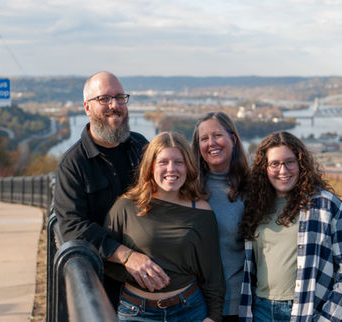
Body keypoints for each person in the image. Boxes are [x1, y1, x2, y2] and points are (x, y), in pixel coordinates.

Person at [54, 71, 169, 304]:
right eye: (104, 99)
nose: (114, 105)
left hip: (153, 280)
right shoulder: (73, 164)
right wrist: (126, 256)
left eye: (120, 97)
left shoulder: (140, 146)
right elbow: (72, 227)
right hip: (104, 286)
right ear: (87, 108)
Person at [239, 131, 342, 322]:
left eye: (290, 162)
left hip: (304, 312)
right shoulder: (255, 206)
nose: (283, 170)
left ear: (301, 164)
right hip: (260, 309)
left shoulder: (328, 206)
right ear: (264, 168)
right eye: (274, 164)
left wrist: (327, 318)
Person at [105, 131, 225, 322]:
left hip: (190, 310)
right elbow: (105, 258)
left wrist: (214, 317)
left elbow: (213, 274)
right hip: (136, 313)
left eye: (179, 162)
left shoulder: (201, 212)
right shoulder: (126, 207)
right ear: (151, 166)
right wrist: (133, 268)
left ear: (188, 167)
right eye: (163, 162)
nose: (172, 169)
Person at [192, 112, 250, 321]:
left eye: (217, 135)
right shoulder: (186, 188)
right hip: (191, 303)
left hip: (236, 305)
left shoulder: (253, 188)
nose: (211, 143)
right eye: (204, 139)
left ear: (233, 139)